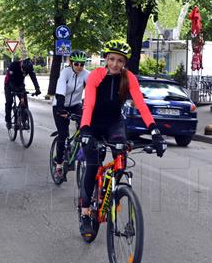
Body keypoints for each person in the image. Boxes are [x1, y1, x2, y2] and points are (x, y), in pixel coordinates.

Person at [77, 39, 165, 237]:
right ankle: (84, 213)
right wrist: (84, 130)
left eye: (120, 61)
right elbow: (89, 104)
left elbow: (141, 105)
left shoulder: (129, 78)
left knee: (121, 161)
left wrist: (154, 131)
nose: (115, 64)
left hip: (114, 124)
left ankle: (111, 193)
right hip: (92, 124)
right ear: (106, 59)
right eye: (111, 59)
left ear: (124, 63)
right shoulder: (95, 76)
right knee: (92, 166)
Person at [52, 50, 89, 178]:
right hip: (60, 104)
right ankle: (59, 164)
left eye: (82, 64)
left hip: (75, 105)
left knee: (86, 127)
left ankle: (76, 149)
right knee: (63, 134)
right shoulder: (65, 73)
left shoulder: (85, 74)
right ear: (71, 63)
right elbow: (61, 91)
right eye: (77, 64)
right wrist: (61, 110)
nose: (79, 67)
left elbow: (94, 88)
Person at [4, 57, 41, 129]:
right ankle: (8, 120)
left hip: (20, 84)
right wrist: (15, 90)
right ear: (21, 64)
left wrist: (37, 89)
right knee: (9, 102)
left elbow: (33, 78)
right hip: (9, 84)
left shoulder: (29, 67)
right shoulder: (13, 65)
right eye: (23, 70)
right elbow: (11, 79)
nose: (24, 72)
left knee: (24, 101)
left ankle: (24, 121)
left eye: (25, 71)